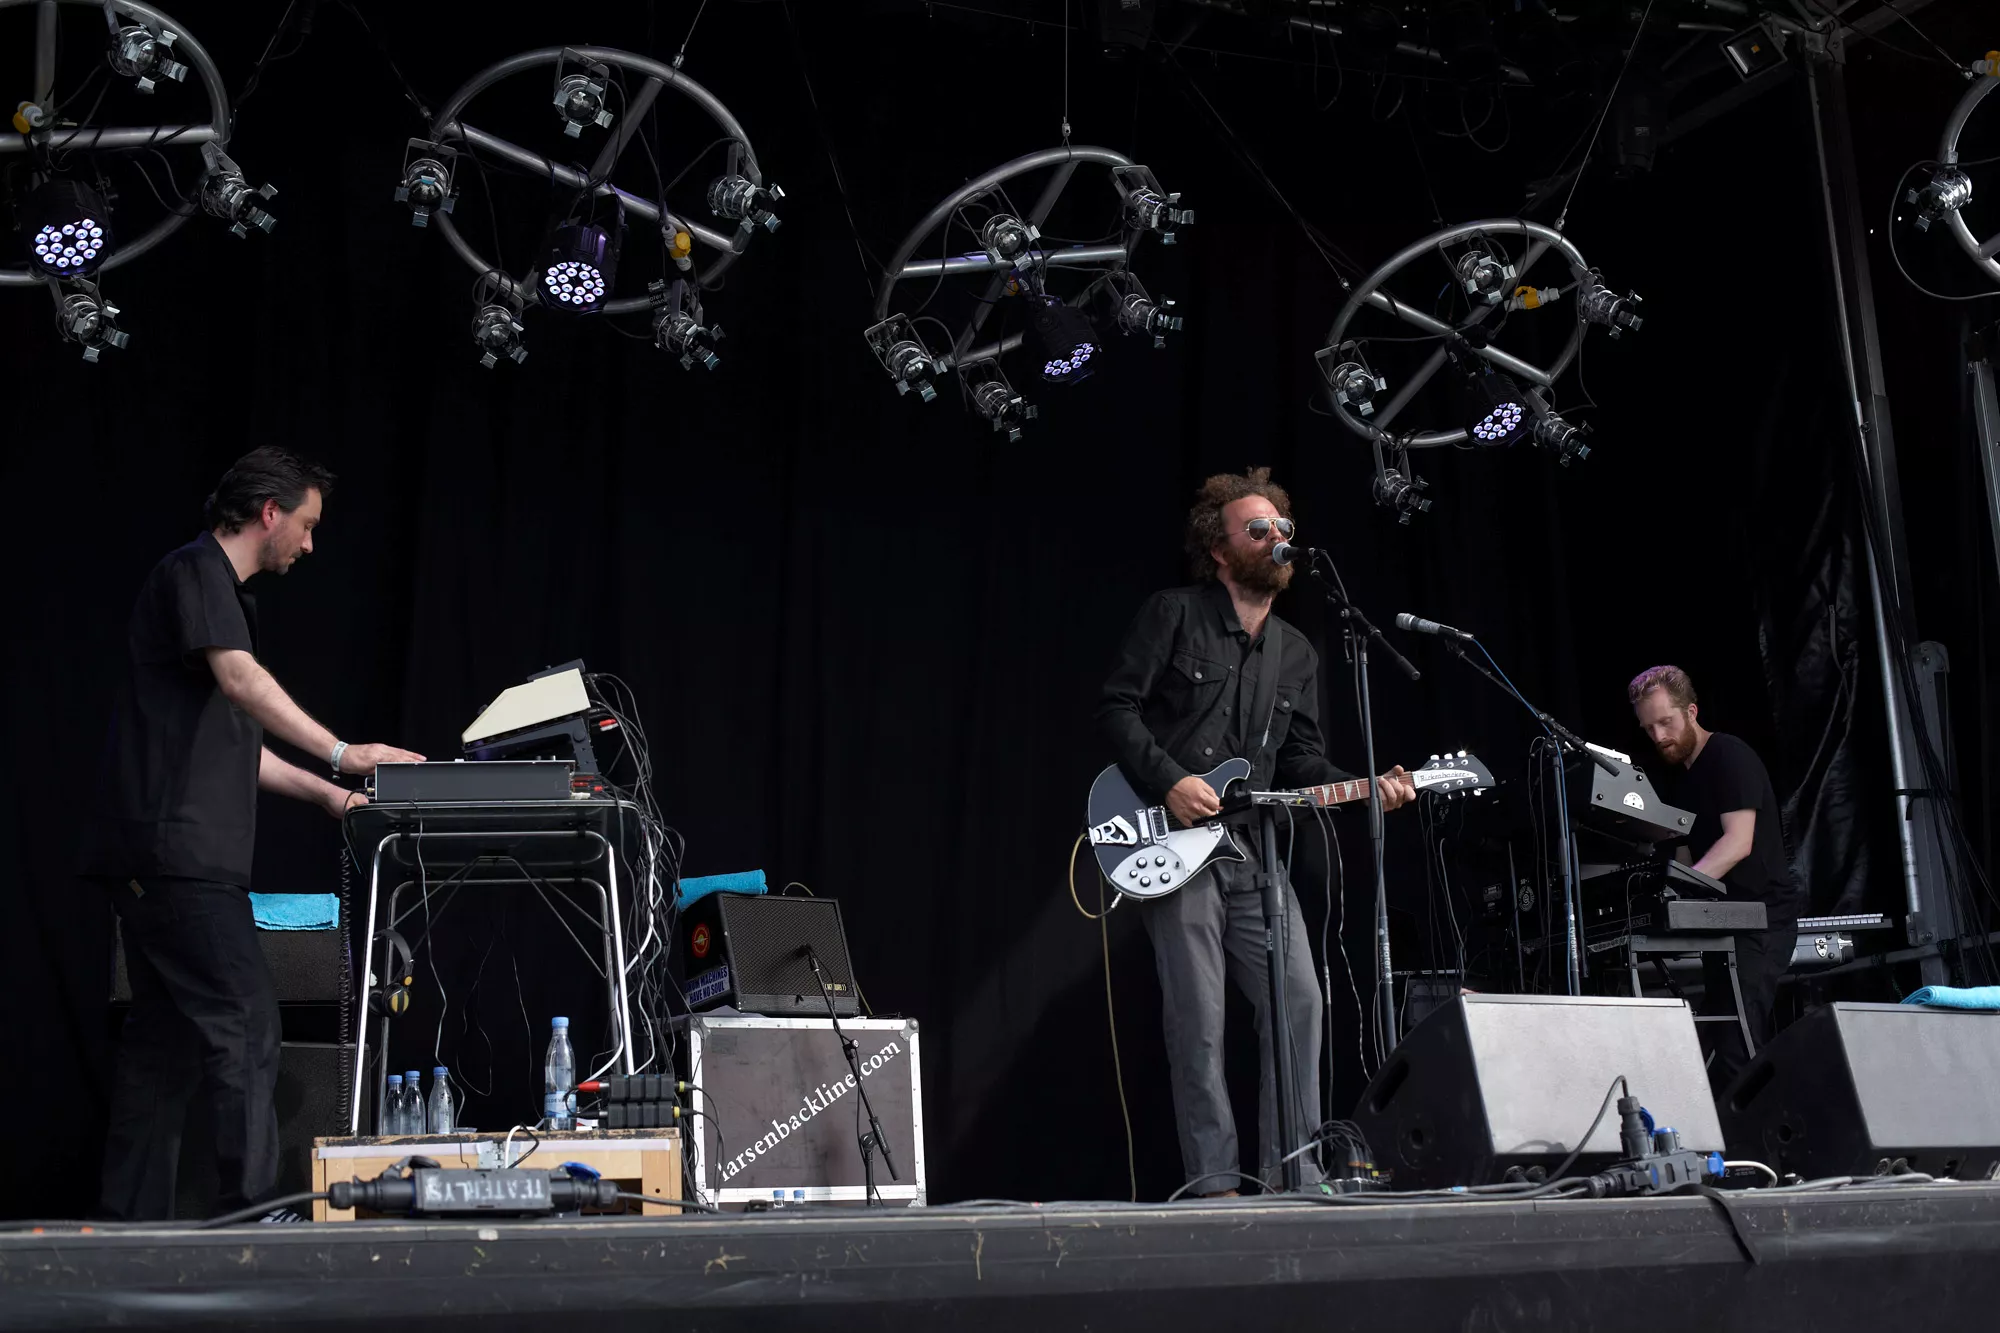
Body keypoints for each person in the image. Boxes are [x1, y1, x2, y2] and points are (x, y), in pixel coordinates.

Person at [84, 447, 425, 1221]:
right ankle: (255, 1212)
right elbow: (242, 683)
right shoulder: (197, 571)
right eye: (306, 524)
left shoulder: (214, 601)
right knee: (244, 1018)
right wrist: (343, 751)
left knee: (164, 1043)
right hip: (176, 857)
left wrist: (330, 796)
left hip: (158, 858)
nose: (310, 543)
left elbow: (242, 749)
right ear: (270, 512)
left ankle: (125, 1227)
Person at [1097, 467, 1416, 1197]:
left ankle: (1292, 1175)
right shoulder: (1173, 614)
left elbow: (1300, 761)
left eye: (1283, 527)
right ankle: (1215, 1185)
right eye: (1257, 528)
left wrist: (1367, 785)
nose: (1276, 537)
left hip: (1254, 852)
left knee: (1300, 1001)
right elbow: (1115, 707)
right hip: (1173, 844)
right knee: (1200, 1020)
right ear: (1219, 548)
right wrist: (1170, 780)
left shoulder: (1295, 651)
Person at [1629, 665, 1805, 1090]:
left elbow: (1737, 842)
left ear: (1691, 711)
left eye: (1666, 722)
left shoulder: (1728, 756)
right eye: (1648, 728)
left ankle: (1768, 1131)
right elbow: (1687, 857)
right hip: (1724, 923)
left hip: (1761, 920)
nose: (1658, 736)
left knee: (1736, 1047)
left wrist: (1677, 896)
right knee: (1713, 1045)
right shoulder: (1683, 780)